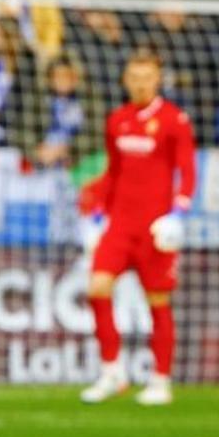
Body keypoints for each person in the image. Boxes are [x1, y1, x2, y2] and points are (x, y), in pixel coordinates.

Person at [80, 51, 196, 406]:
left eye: (147, 76)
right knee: (97, 288)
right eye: (135, 76)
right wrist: (97, 214)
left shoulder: (174, 120)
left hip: (155, 229)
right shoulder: (117, 120)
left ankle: (160, 380)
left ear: (158, 79)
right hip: (119, 225)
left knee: (157, 302)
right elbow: (113, 173)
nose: (141, 83)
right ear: (125, 80)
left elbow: (187, 172)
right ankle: (111, 371)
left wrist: (177, 213)